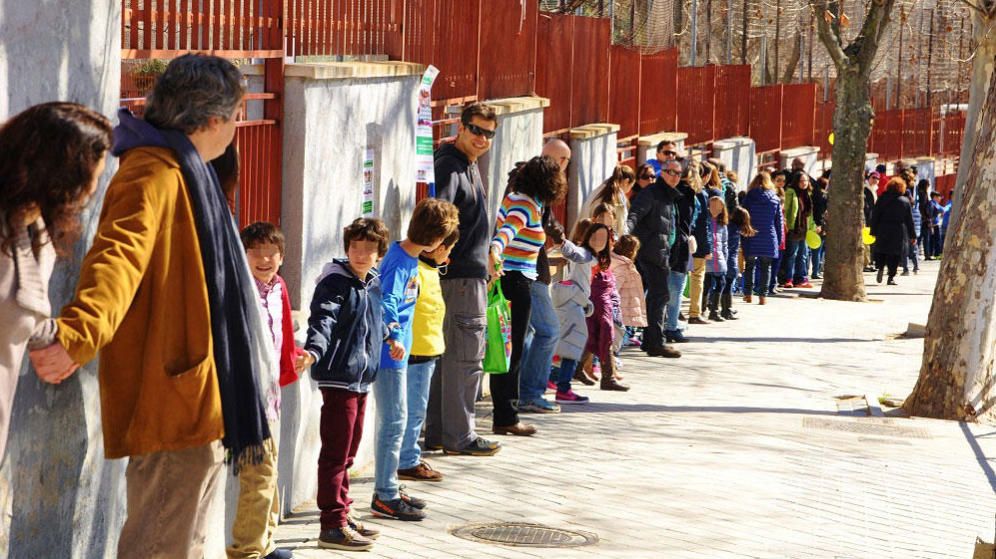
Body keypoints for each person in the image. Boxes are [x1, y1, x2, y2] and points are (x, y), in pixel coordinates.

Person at [28, 55, 272, 559]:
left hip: (199, 400)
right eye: (235, 115)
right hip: (173, 403)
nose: (236, 128)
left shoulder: (186, 170)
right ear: (210, 120)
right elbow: (117, 257)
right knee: (162, 546)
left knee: (188, 543)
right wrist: (78, 335)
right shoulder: (152, 173)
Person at [0, 103, 111, 463]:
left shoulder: (35, 231)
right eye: (91, 175)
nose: (94, 190)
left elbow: (20, 318)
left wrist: (70, 338)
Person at [297, 217, 390, 551]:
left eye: (368, 249)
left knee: (349, 452)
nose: (361, 254)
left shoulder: (373, 282)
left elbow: (374, 320)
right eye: (355, 247)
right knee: (336, 453)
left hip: (361, 379)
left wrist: (389, 336)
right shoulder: (336, 281)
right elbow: (323, 318)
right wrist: (312, 351)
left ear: (380, 252)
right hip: (338, 377)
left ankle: (344, 512)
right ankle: (331, 524)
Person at [371, 197, 459, 521]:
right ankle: (385, 496)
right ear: (437, 240)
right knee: (394, 422)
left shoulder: (408, 257)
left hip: (401, 351)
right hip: (390, 354)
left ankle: (388, 485)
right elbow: (387, 300)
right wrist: (393, 335)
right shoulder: (398, 259)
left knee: (398, 421)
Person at [425, 102, 503, 457]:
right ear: (462, 126)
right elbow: (439, 217)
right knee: (466, 358)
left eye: (489, 133)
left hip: (467, 274)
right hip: (458, 279)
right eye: (477, 130)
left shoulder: (468, 165)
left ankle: (442, 434)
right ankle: (460, 437)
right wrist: (446, 254)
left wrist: (487, 253)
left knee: (451, 358)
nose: (482, 139)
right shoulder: (451, 167)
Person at [231, 222, 305, 559]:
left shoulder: (280, 287)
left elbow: (285, 333)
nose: (264, 259)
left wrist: (294, 362)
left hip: (271, 397)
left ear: (282, 256)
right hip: (246, 396)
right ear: (242, 254)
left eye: (271, 252)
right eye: (255, 252)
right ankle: (247, 552)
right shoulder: (237, 290)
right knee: (259, 474)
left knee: (270, 471)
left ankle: (265, 543)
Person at [489, 155, 566, 434]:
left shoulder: (518, 197)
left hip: (514, 279)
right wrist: (496, 249)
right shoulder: (524, 204)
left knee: (507, 350)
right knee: (512, 352)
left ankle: (504, 415)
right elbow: (508, 230)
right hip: (515, 282)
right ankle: (507, 418)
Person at [397, 229, 459, 482]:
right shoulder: (417, 271)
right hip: (417, 351)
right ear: (441, 248)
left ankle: (407, 456)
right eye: (450, 249)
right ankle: (407, 461)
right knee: (413, 410)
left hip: (428, 349)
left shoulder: (429, 269)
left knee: (416, 409)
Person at [516, 138, 572, 416]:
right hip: (527, 272)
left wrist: (560, 238)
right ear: (558, 161)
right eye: (565, 161)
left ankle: (522, 391)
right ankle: (530, 392)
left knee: (528, 332)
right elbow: (511, 230)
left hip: (529, 270)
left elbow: (545, 221)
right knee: (549, 330)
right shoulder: (527, 186)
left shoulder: (534, 186)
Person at [626, 158, 683, 358]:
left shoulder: (669, 196)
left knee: (656, 296)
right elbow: (634, 215)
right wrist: (624, 236)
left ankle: (650, 341)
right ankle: (655, 342)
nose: (675, 177)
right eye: (671, 172)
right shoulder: (651, 193)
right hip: (650, 252)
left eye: (678, 173)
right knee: (660, 295)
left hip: (661, 252)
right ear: (663, 173)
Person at [572, 223, 628, 391]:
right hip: (591, 301)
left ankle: (578, 369)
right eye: (595, 237)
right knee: (604, 335)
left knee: (594, 336)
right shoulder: (584, 255)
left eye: (604, 238)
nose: (599, 241)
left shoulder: (603, 258)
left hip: (604, 301)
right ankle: (607, 378)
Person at [550, 219, 596, 404]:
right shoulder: (584, 253)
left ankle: (553, 378)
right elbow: (574, 253)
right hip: (573, 302)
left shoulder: (592, 254)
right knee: (571, 347)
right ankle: (563, 388)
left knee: (568, 346)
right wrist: (562, 242)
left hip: (575, 301)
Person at [663, 161, 699, 343]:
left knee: (661, 289)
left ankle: (660, 325)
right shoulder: (688, 193)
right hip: (679, 245)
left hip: (664, 245)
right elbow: (687, 222)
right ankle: (670, 327)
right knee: (675, 288)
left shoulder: (663, 192)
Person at [741, 172, 784, 305]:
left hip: (751, 234)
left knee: (750, 265)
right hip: (769, 236)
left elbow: (742, 216)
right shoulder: (775, 199)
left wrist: (741, 233)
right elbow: (779, 222)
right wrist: (779, 238)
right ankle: (763, 296)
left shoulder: (749, 197)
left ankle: (748, 294)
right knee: (766, 266)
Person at [870, 178, 917, 285]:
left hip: (882, 228)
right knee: (894, 254)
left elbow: (875, 214)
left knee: (881, 250)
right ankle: (891, 276)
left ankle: (881, 267)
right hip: (897, 230)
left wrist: (873, 230)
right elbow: (909, 220)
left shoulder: (882, 198)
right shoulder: (905, 201)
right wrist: (912, 236)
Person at [688, 161, 716, 324]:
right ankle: (694, 312)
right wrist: (707, 247)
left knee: (681, 277)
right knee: (697, 277)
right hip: (697, 242)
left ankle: (677, 312)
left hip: (684, 239)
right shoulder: (702, 194)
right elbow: (704, 223)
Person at [610, 235, 647, 350]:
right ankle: (614, 357)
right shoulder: (623, 266)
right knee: (621, 334)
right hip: (623, 308)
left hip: (624, 306)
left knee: (622, 332)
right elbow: (614, 288)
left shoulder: (617, 261)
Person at [779, 170, 814, 289]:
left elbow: (809, 214)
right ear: (797, 182)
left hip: (804, 229)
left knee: (803, 254)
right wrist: (787, 225)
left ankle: (801, 278)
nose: (804, 183)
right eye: (802, 181)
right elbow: (787, 210)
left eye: (806, 180)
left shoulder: (807, 194)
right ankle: (789, 278)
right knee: (791, 254)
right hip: (794, 229)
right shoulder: (791, 192)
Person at [580, 165, 635, 234]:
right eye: (631, 186)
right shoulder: (618, 199)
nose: (629, 190)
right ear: (626, 182)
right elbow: (621, 227)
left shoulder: (598, 191)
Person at [702, 196, 729, 322]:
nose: (716, 208)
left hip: (719, 259)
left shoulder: (722, 224)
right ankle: (702, 308)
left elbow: (724, 243)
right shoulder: (705, 221)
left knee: (721, 282)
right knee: (706, 283)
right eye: (713, 206)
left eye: (719, 206)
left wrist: (725, 258)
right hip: (708, 258)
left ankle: (714, 310)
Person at [899, 169, 920, 276]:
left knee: (904, 243)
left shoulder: (903, 191)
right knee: (913, 242)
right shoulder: (915, 187)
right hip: (916, 217)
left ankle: (906, 268)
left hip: (906, 218)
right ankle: (916, 267)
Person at [810, 177, 828, 279]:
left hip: (814, 223)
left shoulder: (813, 195)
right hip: (822, 224)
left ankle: (816, 270)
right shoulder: (823, 196)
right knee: (819, 249)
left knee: (815, 249)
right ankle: (816, 270)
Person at [863, 172, 880, 271]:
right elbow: (866, 206)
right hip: (867, 219)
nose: (875, 180)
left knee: (870, 241)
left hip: (873, 219)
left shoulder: (874, 190)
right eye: (873, 178)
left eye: (877, 178)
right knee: (866, 242)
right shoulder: (866, 189)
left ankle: (869, 262)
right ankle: (866, 263)